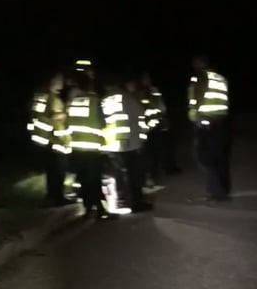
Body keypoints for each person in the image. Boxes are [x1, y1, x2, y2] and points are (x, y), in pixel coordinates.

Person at [67, 76, 115, 220]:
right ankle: (100, 210)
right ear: (90, 86)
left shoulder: (74, 102)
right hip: (92, 147)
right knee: (94, 180)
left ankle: (88, 208)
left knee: (83, 179)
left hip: (77, 147)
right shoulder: (95, 101)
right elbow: (103, 123)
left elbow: (69, 122)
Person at [102, 76, 153, 213]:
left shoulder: (104, 99)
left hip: (112, 143)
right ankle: (136, 203)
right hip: (129, 143)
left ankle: (122, 200)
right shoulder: (127, 97)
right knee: (133, 174)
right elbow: (140, 116)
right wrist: (142, 137)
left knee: (119, 174)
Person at [188, 55, 231, 202]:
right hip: (221, 121)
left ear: (200, 62)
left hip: (206, 122)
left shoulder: (200, 76)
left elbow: (197, 99)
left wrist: (196, 119)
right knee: (219, 158)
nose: (193, 64)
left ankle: (216, 192)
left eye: (195, 62)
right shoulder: (220, 78)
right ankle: (222, 190)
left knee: (205, 159)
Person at [27, 71, 73, 207]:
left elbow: (35, 114)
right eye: (60, 79)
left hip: (44, 139)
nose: (62, 82)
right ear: (52, 81)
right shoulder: (53, 99)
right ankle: (58, 198)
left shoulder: (40, 95)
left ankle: (52, 196)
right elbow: (55, 120)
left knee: (51, 170)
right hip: (55, 139)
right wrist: (64, 114)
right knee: (58, 171)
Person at [140, 72, 180, 188]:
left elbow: (160, 105)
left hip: (157, 122)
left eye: (148, 78)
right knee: (151, 152)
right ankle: (152, 175)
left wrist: (164, 117)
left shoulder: (154, 90)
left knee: (163, 146)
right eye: (145, 78)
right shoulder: (140, 92)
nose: (148, 80)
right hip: (147, 126)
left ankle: (166, 169)